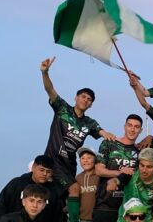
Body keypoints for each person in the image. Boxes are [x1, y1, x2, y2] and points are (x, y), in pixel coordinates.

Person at [40, 57, 115, 193]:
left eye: (89, 99)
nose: (85, 100)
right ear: (76, 97)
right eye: (83, 96)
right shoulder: (62, 108)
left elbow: (103, 133)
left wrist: (111, 136)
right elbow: (50, 89)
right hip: (52, 160)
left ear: (91, 104)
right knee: (72, 189)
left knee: (61, 199)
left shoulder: (89, 122)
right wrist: (45, 72)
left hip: (69, 165)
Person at [91, 114, 143, 222]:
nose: (132, 129)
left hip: (127, 207)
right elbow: (99, 170)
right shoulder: (109, 144)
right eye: (130, 125)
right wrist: (119, 173)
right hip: (105, 203)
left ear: (140, 130)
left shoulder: (139, 151)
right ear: (124, 126)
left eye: (136, 127)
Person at [115, 148, 153, 222]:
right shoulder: (130, 174)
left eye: (149, 167)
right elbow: (117, 180)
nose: (144, 170)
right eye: (142, 165)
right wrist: (112, 182)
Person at [67, 147, 99, 222]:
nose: (85, 161)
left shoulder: (100, 176)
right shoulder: (78, 178)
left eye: (89, 157)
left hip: (98, 221)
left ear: (95, 159)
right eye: (82, 158)